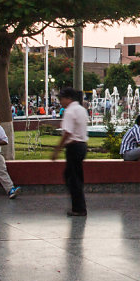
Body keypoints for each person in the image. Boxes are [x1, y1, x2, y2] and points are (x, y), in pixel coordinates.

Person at [51, 88, 88, 217]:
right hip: (82, 146)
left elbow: (67, 132)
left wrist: (57, 150)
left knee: (72, 179)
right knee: (74, 176)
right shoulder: (81, 110)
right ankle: (79, 206)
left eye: (61, 99)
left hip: (74, 146)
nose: (60, 102)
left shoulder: (70, 111)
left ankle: (79, 208)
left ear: (69, 98)